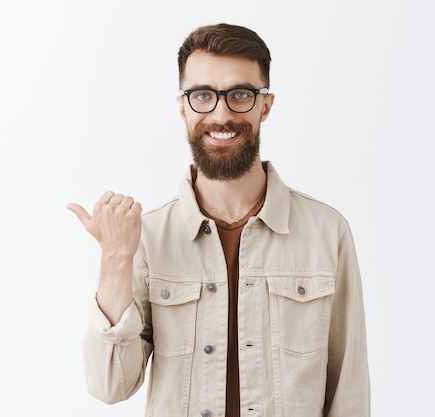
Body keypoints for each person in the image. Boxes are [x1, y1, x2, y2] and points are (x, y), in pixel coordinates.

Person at [67, 23, 370, 417]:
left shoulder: (327, 232)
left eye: (240, 94)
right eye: (203, 95)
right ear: (182, 107)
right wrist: (115, 259)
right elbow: (110, 385)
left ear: (266, 105)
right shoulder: (149, 236)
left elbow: (350, 392)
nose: (221, 114)